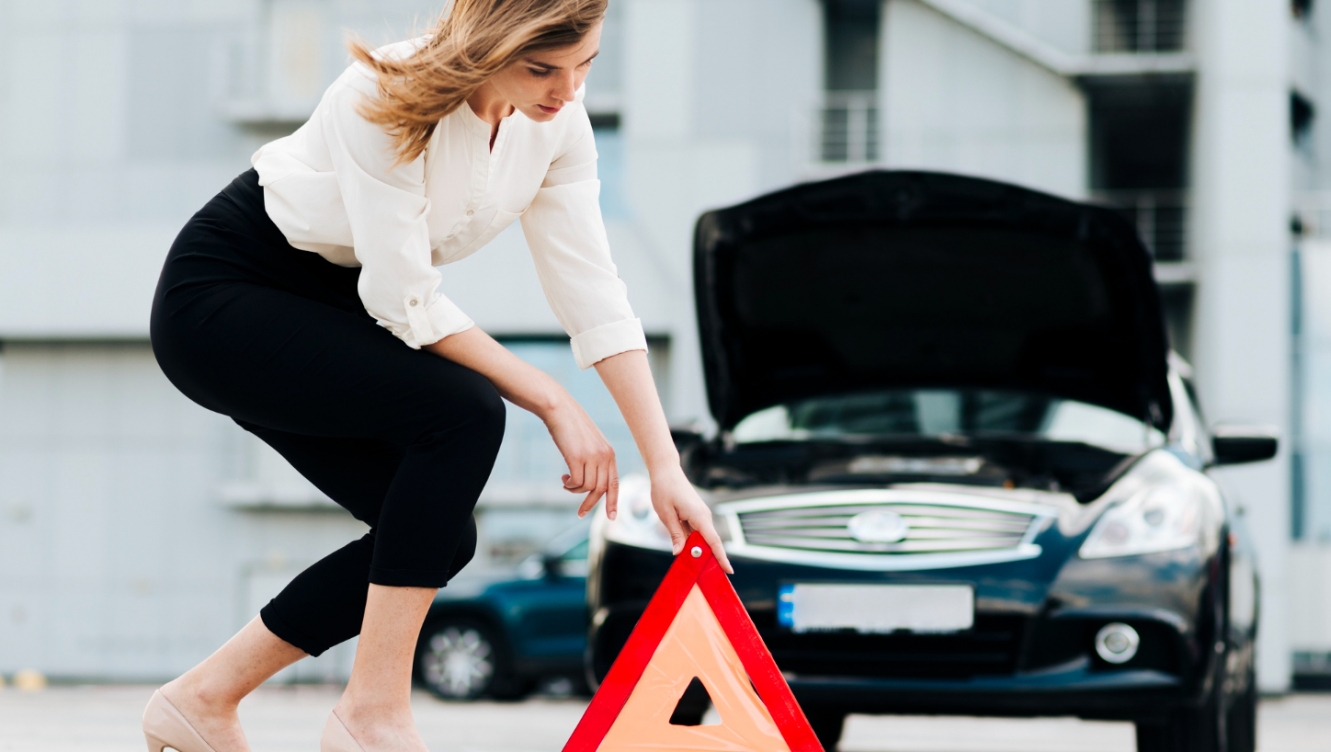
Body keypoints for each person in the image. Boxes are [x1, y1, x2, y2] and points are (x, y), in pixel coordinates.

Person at [142, 1, 731, 750]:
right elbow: (400, 295)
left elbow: (594, 296)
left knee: (437, 534)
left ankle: (201, 697)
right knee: (463, 412)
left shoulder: (556, 128)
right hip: (229, 295)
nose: (567, 91)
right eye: (541, 69)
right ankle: (373, 713)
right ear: (489, 44)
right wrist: (549, 397)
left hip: (338, 307)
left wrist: (664, 466)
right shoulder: (381, 92)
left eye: (585, 65)